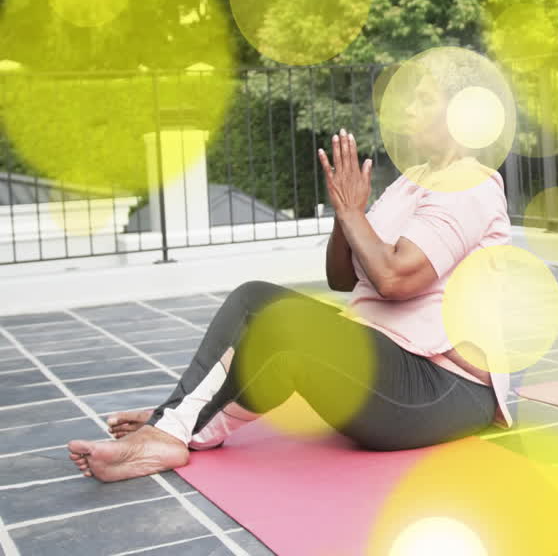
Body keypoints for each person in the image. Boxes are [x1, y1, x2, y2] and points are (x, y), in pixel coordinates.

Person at [68, 56, 514, 482]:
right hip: (388, 366)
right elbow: (343, 277)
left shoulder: (471, 185)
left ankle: (170, 430)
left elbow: (395, 278)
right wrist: (345, 211)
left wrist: (354, 212)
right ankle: (178, 416)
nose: (408, 110)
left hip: (441, 388)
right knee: (254, 298)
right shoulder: (410, 181)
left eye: (423, 99)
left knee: (287, 325)